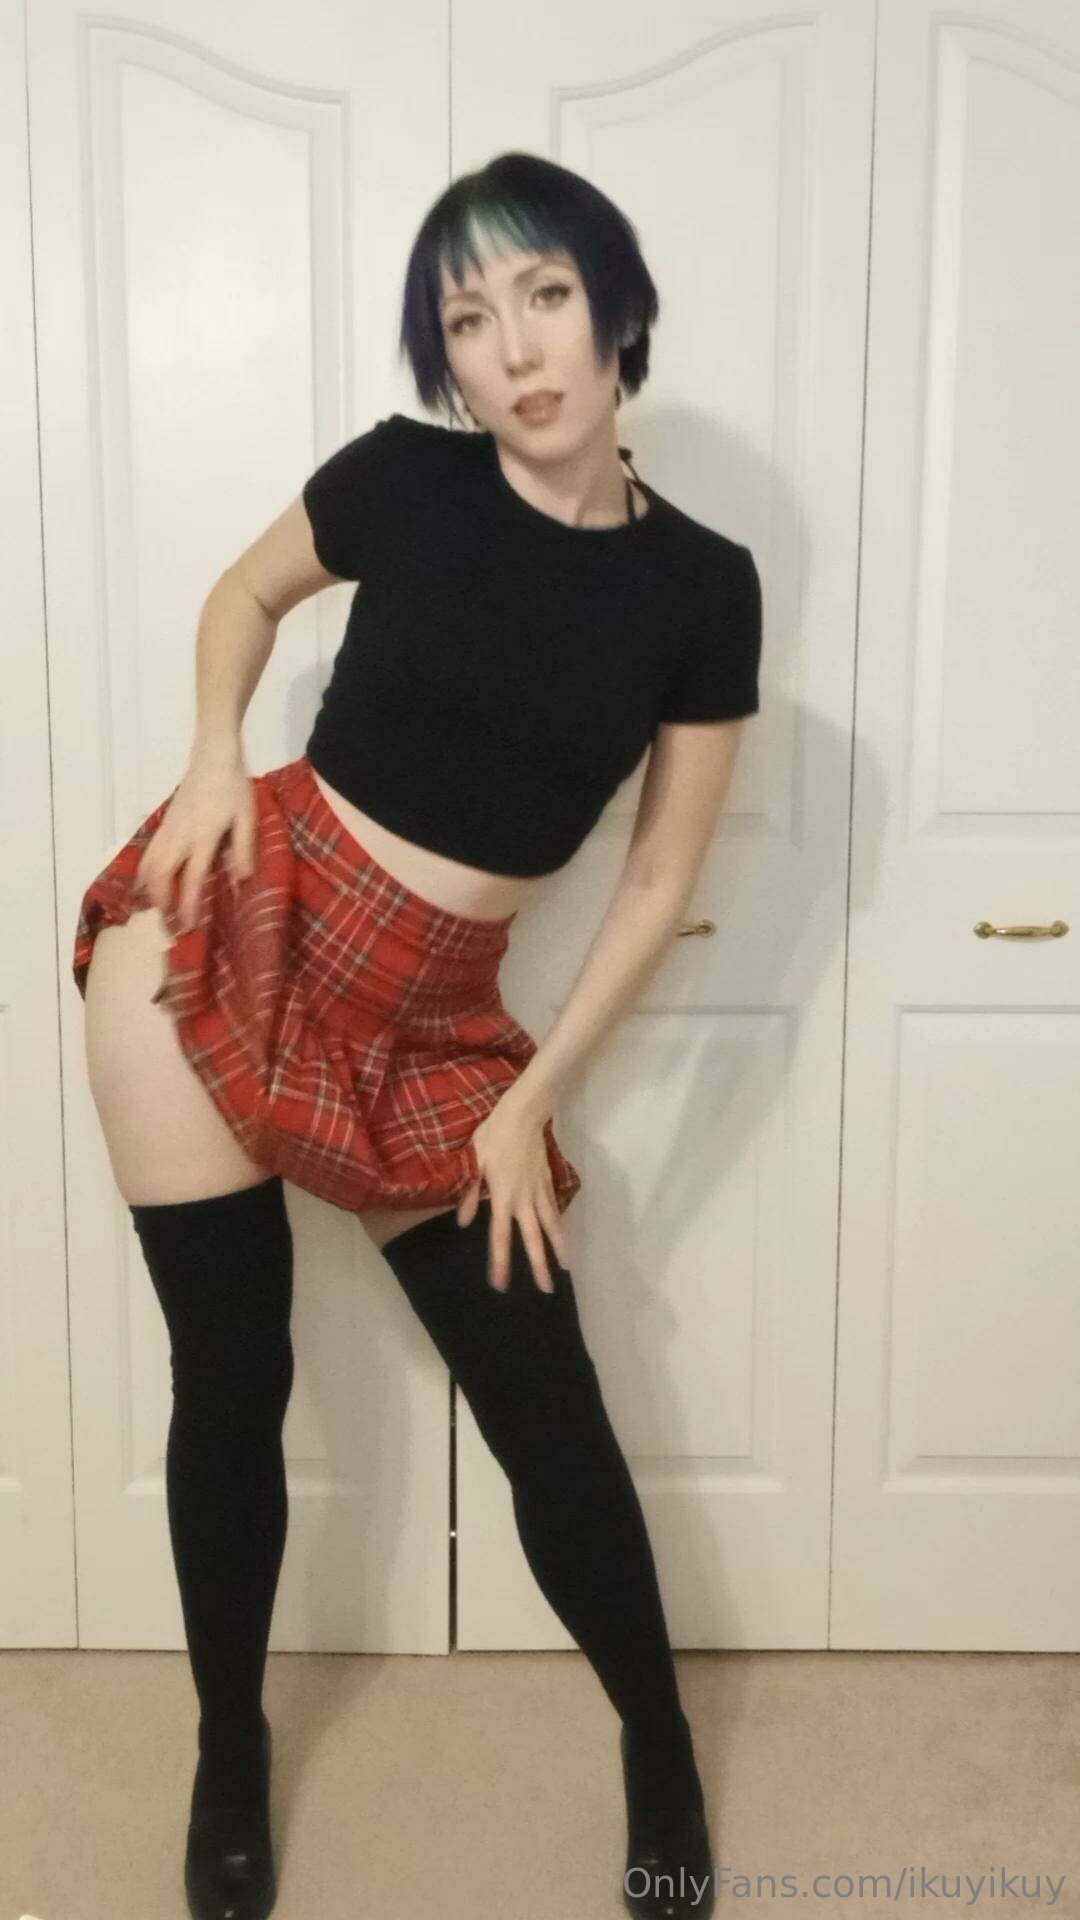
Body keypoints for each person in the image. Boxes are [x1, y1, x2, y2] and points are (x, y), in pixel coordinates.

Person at [72, 150, 762, 1920]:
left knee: (547, 1403)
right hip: (235, 919)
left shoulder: (705, 586)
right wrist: (213, 760)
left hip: (438, 1011)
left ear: (615, 311)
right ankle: (230, 1749)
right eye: (467, 319)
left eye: (545, 297)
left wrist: (529, 1098)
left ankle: (658, 1744)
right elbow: (241, 600)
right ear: (442, 357)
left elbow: (655, 880)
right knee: (233, 1377)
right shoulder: (402, 479)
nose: (513, 349)